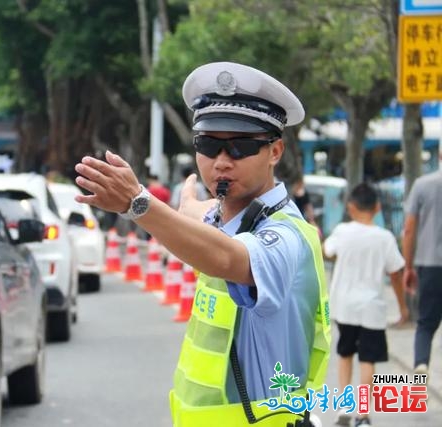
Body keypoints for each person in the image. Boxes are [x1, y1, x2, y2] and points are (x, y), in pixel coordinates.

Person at [74, 61, 330, 426]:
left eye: (240, 147)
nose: (221, 162)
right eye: (208, 145)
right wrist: (191, 211)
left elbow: (230, 258)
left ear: (275, 152)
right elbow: (207, 221)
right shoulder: (226, 216)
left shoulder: (286, 236)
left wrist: (139, 204)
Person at [323, 182, 408, 427]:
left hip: (344, 306)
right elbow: (395, 273)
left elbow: (327, 251)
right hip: (372, 308)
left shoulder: (342, 231)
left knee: (345, 354)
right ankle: (362, 415)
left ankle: (343, 411)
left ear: (350, 207)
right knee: (368, 360)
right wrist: (402, 306)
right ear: (378, 207)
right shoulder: (385, 238)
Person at [402, 164, 442, 377]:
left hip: (429, 264)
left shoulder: (422, 185)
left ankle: (421, 364)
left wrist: (408, 266)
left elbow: (409, 229)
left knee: (426, 323)